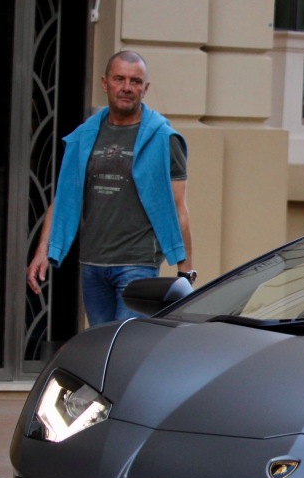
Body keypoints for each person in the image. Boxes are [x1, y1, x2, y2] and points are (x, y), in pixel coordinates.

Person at [26, 50, 193, 325]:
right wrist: (42, 251)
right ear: (105, 83)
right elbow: (64, 199)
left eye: (135, 81)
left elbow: (178, 208)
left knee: (125, 347)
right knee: (103, 352)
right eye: (119, 79)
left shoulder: (164, 138)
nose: (127, 87)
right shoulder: (84, 136)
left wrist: (185, 273)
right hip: (92, 263)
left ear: (145, 88)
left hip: (138, 264)